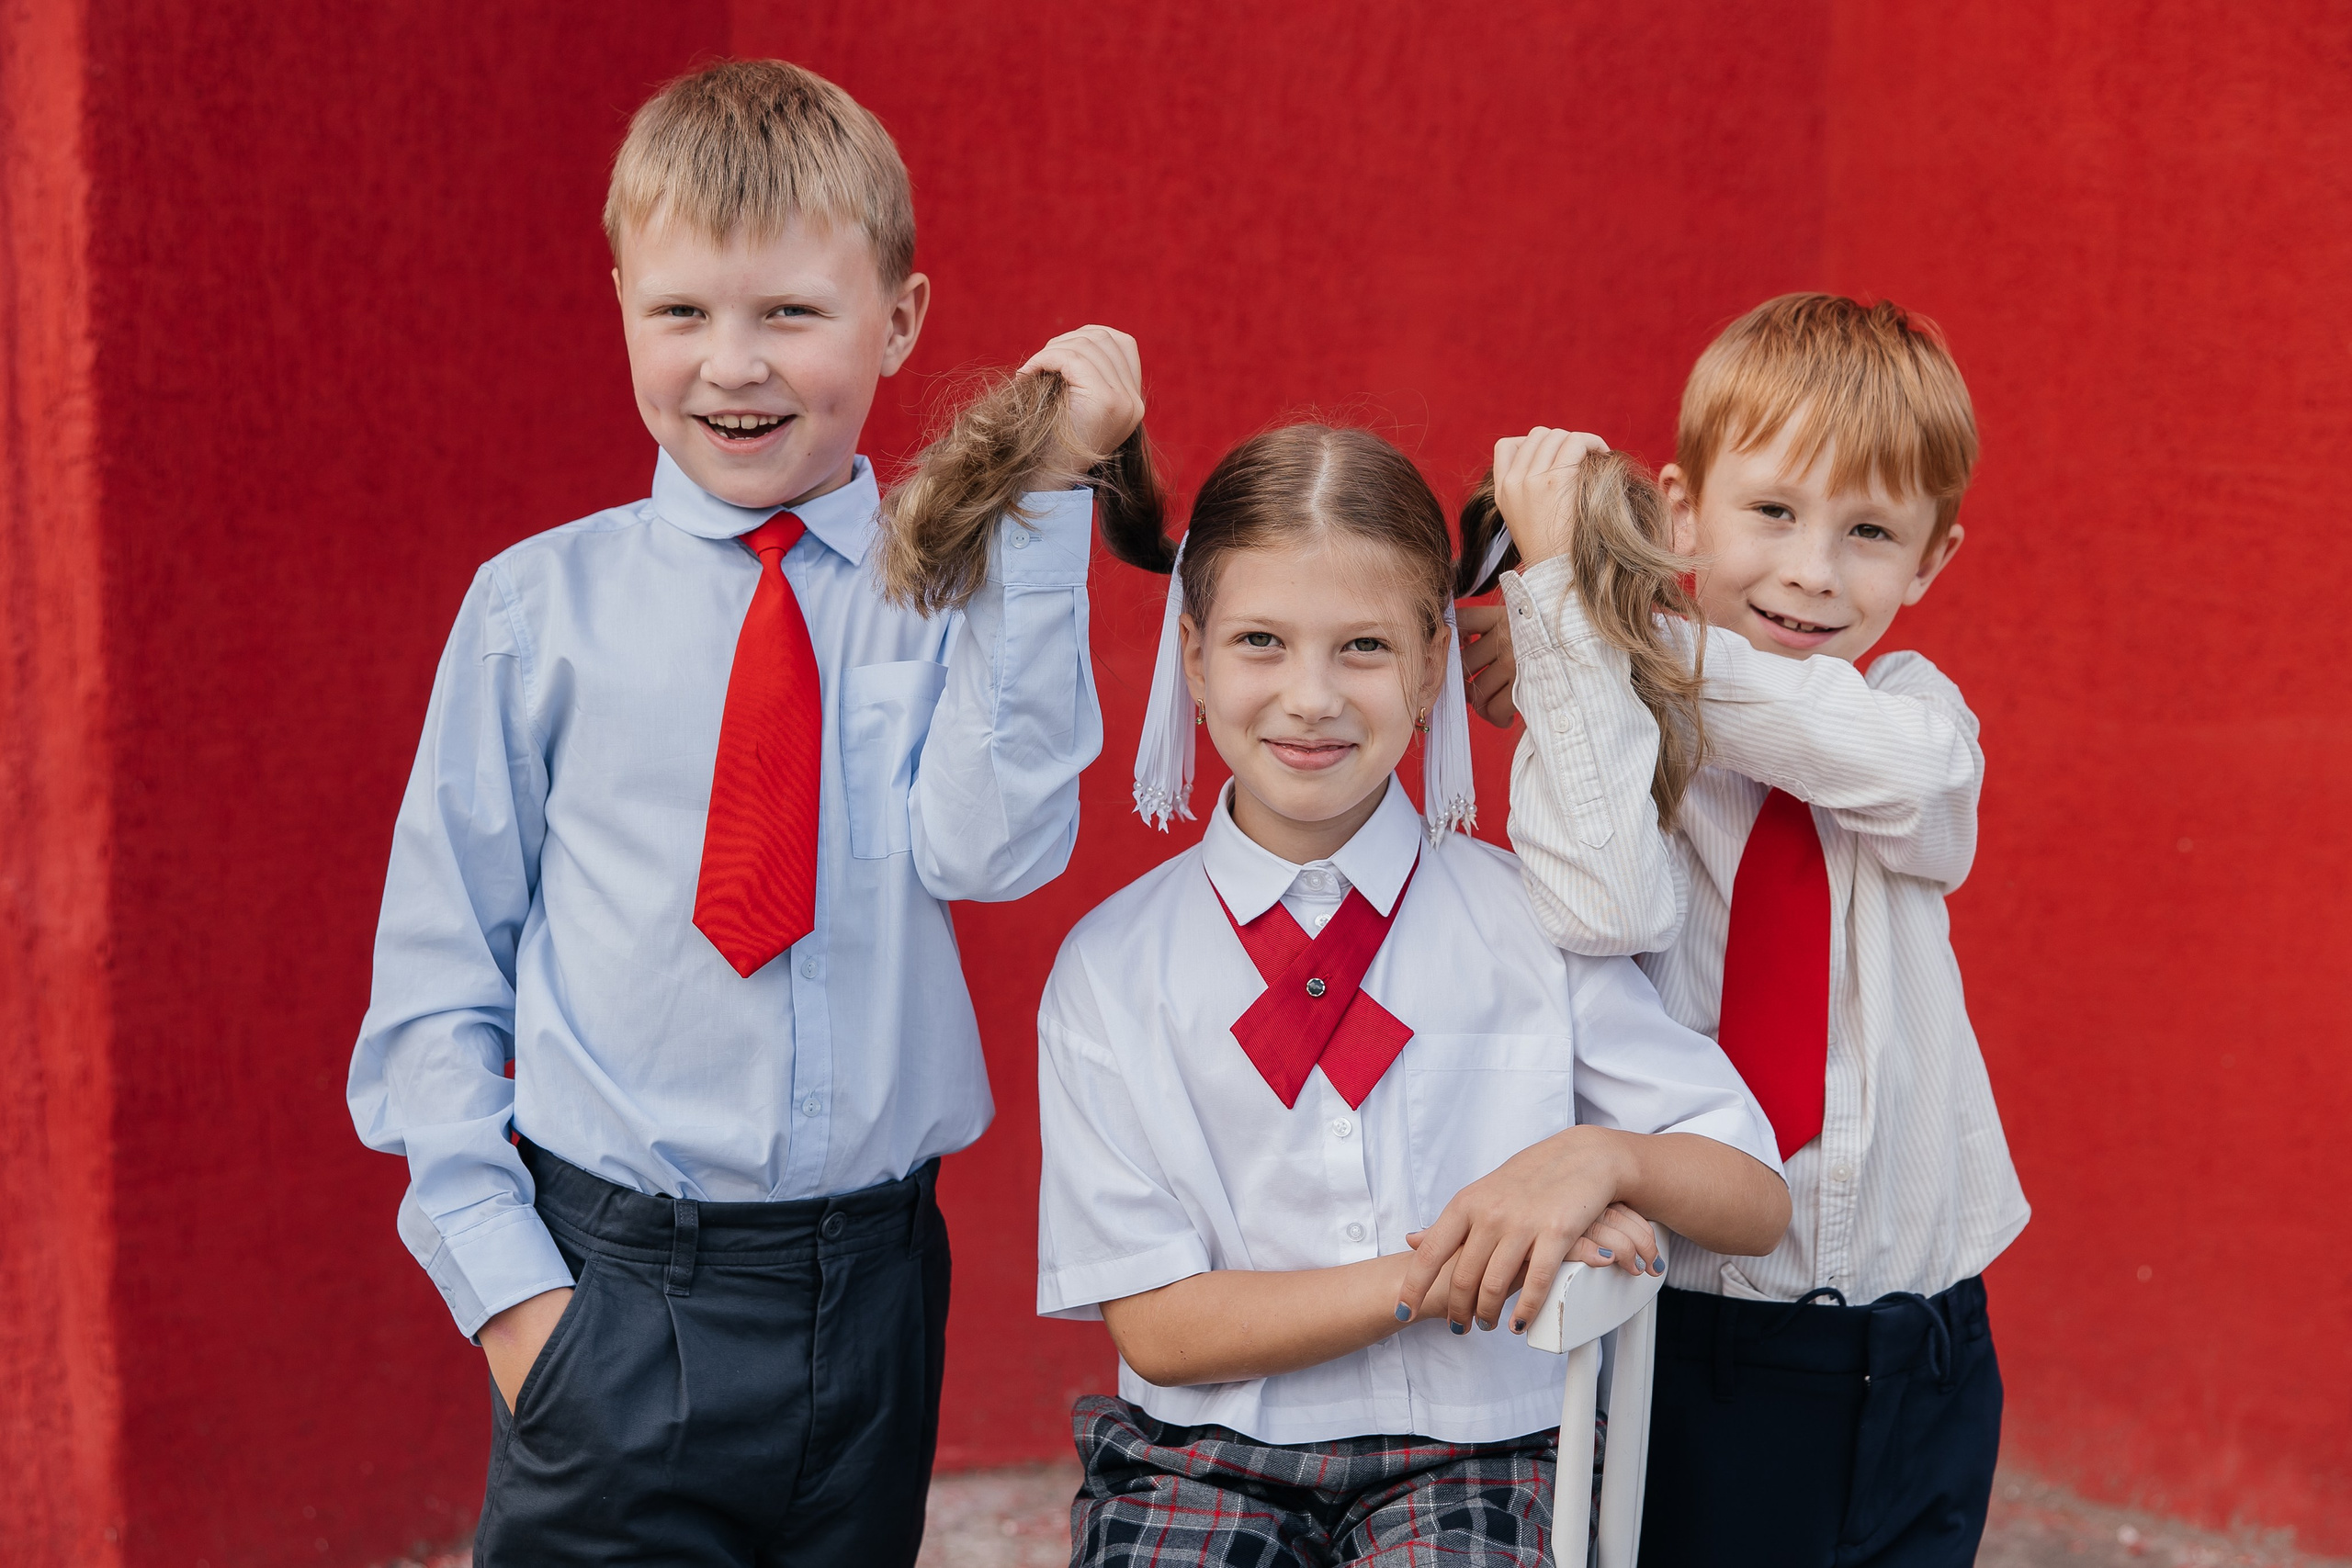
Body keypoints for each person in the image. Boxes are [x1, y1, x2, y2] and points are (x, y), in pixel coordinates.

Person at [345, 59, 1144, 1566]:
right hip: (615, 1287)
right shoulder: (536, 612)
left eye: (790, 313)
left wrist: (1042, 506)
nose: (734, 366)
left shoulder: (945, 600)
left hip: (877, 1289)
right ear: (622, 305)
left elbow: (996, 848)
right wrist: (521, 1304)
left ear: (898, 319)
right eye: (684, 313)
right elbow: (440, 970)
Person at [971, 412, 1791, 1564]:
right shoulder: (1111, 969)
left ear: (1429, 670)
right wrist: (1455, 1265)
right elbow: (1159, 1325)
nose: (1310, 696)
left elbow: (1754, 1196)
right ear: (1193, 659)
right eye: (1261, 642)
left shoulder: (1532, 923)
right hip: (1197, 1454)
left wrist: (1600, 1159)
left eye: (1361, 648)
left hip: (1486, 1449)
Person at [1475, 293, 2030, 1565]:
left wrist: (1608, 628)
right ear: (1681, 511)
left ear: (1932, 559)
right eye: (1772, 511)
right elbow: (1603, 905)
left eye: (1871, 531)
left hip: (1930, 1342)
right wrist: (1584, 666)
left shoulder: (1912, 710)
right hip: (1709, 1343)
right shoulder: (1609, 736)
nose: (1812, 570)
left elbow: (1904, 777)